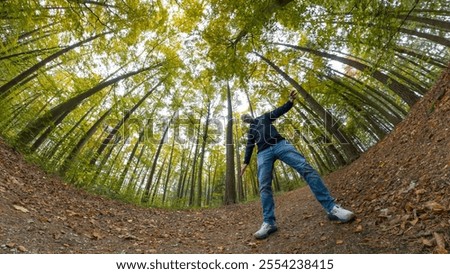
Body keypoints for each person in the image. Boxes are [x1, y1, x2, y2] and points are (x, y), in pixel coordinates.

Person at [240, 91, 355, 240]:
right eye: (244, 119)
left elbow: (278, 111)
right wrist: (245, 162)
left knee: (306, 168)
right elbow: (249, 146)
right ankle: (269, 223)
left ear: (250, 116)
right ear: (246, 122)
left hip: (280, 144)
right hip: (263, 153)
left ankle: (332, 209)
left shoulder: (264, 117)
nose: (246, 118)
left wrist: (289, 102)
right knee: (264, 186)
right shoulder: (250, 131)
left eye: (246, 116)